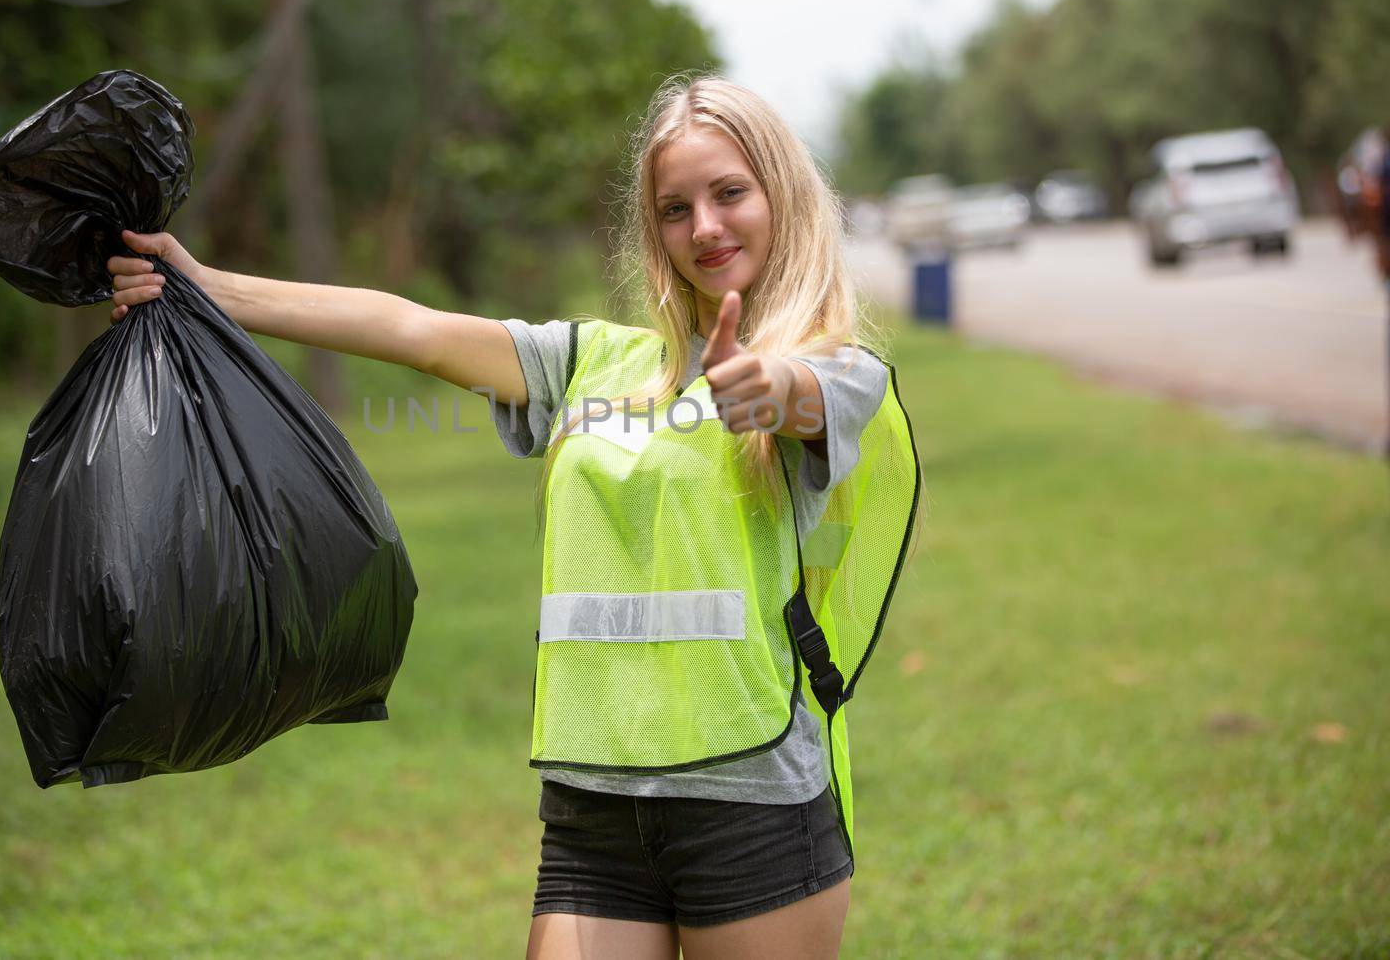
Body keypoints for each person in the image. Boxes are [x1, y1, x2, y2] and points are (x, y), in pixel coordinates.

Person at [108, 74, 917, 960]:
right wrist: (206, 287)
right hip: (593, 806)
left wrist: (759, 384)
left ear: (782, 196)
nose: (705, 227)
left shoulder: (840, 372)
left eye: (729, 193)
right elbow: (414, 329)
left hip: (754, 806)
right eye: (676, 208)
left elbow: (797, 398)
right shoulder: (597, 364)